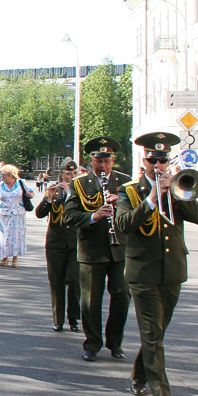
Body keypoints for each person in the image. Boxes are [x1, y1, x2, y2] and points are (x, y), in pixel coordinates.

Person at [115, 132, 198, 396]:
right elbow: (123, 224)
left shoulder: (176, 188)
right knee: (153, 333)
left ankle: (139, 375)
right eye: (152, 160)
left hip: (172, 271)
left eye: (163, 160)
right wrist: (152, 199)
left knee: (157, 332)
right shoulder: (130, 191)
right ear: (143, 161)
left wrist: (176, 194)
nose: (158, 166)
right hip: (143, 273)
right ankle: (162, 393)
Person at [62, 137, 131, 362]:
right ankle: (92, 343)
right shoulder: (80, 183)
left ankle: (115, 342)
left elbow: (136, 213)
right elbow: (69, 216)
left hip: (119, 249)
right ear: (91, 161)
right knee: (91, 300)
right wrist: (94, 216)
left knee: (122, 295)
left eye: (107, 161)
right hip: (91, 249)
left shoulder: (125, 182)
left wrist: (121, 203)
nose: (103, 166)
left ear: (113, 161)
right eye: (98, 161)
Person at [36, 161, 81, 332]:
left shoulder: (81, 191)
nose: (72, 177)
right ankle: (58, 319)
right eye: (68, 174)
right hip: (55, 243)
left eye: (74, 174)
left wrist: (70, 194)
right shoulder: (55, 191)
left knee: (74, 280)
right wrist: (48, 198)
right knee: (57, 282)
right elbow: (40, 213)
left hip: (75, 243)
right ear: (61, 175)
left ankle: (73, 318)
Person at [0, 164, 30, 268]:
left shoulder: (20, 183)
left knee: (16, 235)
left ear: (11, 175)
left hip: (17, 213)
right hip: (3, 214)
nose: (2, 176)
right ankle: (5, 256)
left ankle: (15, 257)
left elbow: (30, 192)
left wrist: (29, 195)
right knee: (4, 236)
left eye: (4, 174)